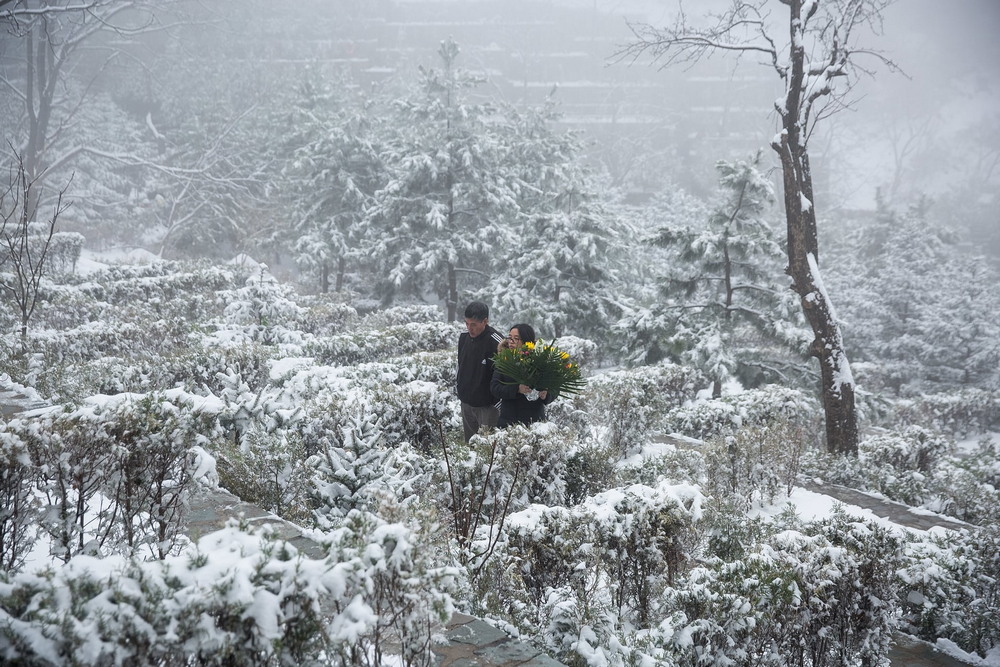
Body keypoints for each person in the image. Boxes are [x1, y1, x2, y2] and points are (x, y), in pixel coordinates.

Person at [491, 323, 556, 428]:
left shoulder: (541, 360)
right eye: (509, 338)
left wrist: (546, 394)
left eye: (516, 339)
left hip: (535, 423)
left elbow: (555, 387)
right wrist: (516, 389)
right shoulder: (504, 360)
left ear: (527, 341)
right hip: (509, 421)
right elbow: (495, 388)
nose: (511, 342)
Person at [457, 301, 504, 442]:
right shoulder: (464, 339)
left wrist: (496, 404)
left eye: (473, 324)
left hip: (488, 408)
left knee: (487, 449)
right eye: (466, 323)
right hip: (466, 404)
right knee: (470, 449)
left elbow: (503, 375)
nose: (469, 328)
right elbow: (460, 366)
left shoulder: (497, 342)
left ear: (485, 321)